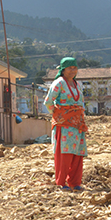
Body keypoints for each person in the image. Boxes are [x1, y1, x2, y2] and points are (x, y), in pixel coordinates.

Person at [44, 57, 87, 191]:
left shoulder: (78, 84)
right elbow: (48, 102)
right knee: (64, 153)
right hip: (64, 124)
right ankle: (61, 182)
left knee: (77, 153)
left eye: (75, 68)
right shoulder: (59, 83)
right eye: (69, 68)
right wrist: (58, 115)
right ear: (63, 70)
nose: (72, 70)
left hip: (77, 124)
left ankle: (75, 182)